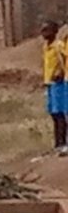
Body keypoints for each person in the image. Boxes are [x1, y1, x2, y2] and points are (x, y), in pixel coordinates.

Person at [44, 23, 68, 156]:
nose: (43, 33)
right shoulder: (46, 47)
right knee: (53, 113)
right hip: (49, 82)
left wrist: (61, 72)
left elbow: (63, 59)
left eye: (46, 30)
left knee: (60, 112)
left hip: (58, 82)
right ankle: (57, 142)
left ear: (54, 31)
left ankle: (62, 142)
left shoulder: (58, 46)